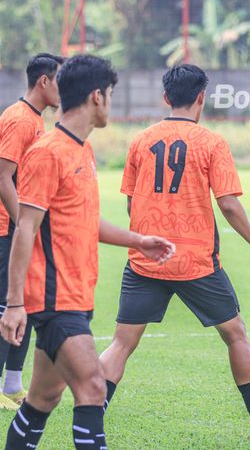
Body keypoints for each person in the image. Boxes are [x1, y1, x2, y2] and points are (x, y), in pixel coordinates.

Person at [98, 64, 250, 442]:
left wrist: (143, 241)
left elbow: (131, 203)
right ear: (202, 97)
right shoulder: (212, 143)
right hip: (195, 262)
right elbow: (229, 205)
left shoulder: (140, 141)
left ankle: (90, 417)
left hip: (146, 260)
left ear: (166, 97)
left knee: (122, 343)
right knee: (235, 334)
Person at [0, 55, 175, 450]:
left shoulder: (84, 151)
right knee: (93, 387)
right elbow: (25, 226)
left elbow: (83, 221)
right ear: (97, 96)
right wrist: (13, 305)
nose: (110, 102)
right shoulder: (49, 152)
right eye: (110, 94)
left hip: (76, 296)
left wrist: (138, 240)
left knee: (42, 399)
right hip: (53, 299)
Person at [0, 53, 64, 410]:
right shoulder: (20, 119)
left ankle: (12, 384)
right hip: (6, 229)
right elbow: (2, 175)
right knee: (7, 305)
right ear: (44, 81)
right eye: (60, 81)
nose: (63, 90)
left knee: (22, 303)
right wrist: (24, 224)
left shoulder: (34, 120)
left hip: (17, 228)